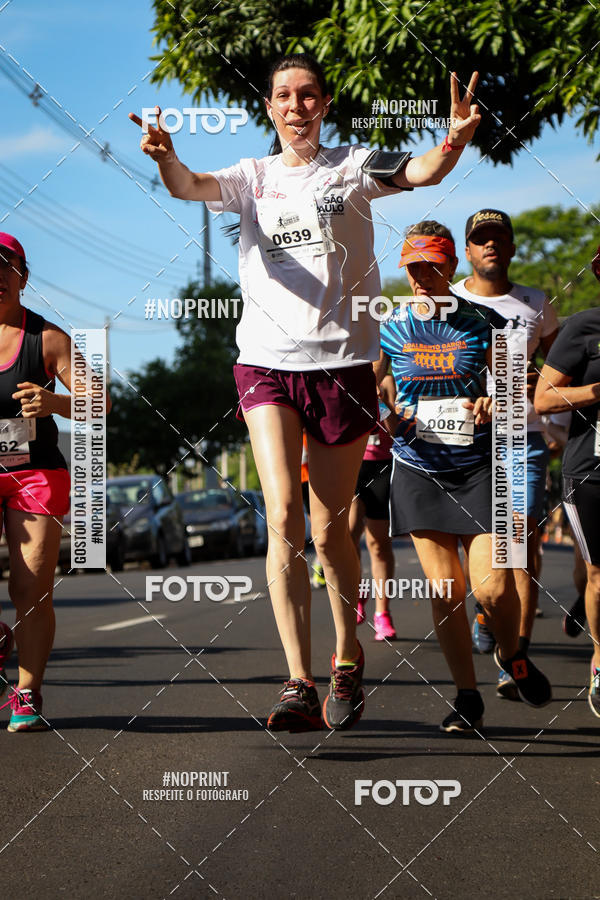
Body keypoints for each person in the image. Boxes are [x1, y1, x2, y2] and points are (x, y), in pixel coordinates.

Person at [130, 54, 482, 732]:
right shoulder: (251, 178)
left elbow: (422, 171)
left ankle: (348, 653)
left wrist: (454, 138)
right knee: (284, 517)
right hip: (265, 364)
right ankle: (297, 679)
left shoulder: (353, 166)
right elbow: (188, 185)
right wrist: (164, 157)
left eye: (308, 95)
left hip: (344, 366)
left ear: (324, 103)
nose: (296, 105)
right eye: (283, 96)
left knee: (328, 528)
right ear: (269, 108)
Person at [378, 220, 552, 732]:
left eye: (431, 267)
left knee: (493, 589)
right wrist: (387, 409)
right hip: (418, 468)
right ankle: (466, 696)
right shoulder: (389, 325)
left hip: (478, 470)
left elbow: (517, 386)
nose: (421, 277)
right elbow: (374, 383)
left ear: (451, 266)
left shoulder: (484, 321)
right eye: (413, 268)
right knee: (447, 590)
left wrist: (493, 401)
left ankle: (511, 655)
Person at [0, 233, 107, 731]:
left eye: (7, 266)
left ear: (23, 275)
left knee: (31, 588)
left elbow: (101, 403)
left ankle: (27, 692)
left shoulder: (48, 339)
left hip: (34, 473)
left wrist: (56, 404)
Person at [452, 209, 559, 694]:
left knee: (520, 545)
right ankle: (485, 606)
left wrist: (554, 419)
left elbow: (563, 368)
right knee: (475, 548)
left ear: (512, 248)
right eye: (481, 240)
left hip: (524, 437)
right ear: (468, 251)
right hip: (463, 441)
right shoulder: (449, 300)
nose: (490, 246)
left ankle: (512, 661)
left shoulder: (537, 303)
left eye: (499, 238)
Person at [535, 244, 600, 717]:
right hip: (591, 471)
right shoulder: (583, 326)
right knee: (597, 572)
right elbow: (544, 398)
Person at [350, 374, 398, 640]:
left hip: (380, 465)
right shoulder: (342, 369)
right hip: (351, 463)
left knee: (379, 543)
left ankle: (382, 613)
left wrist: (380, 404)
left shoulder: (387, 381)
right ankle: (356, 590)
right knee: (347, 534)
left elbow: (395, 428)